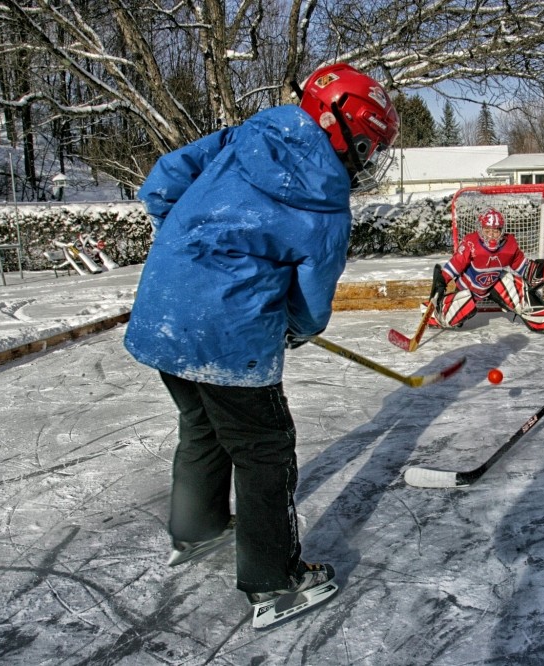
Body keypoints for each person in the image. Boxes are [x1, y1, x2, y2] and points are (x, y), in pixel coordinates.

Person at [123, 63, 399, 629]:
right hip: (230, 335)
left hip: (163, 307)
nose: (366, 159)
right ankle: (275, 583)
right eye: (369, 146)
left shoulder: (246, 133)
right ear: (342, 127)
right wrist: (297, 328)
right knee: (264, 451)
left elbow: (163, 180)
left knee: (201, 424)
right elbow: (312, 299)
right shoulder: (327, 201)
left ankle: (195, 530)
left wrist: (185, 245)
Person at [427, 208, 544, 334]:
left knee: (516, 286)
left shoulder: (509, 245)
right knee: (462, 307)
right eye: (487, 231)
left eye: (495, 231)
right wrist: (441, 281)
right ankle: (437, 315)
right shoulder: (471, 243)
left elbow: (522, 266)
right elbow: (455, 265)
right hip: (467, 290)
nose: (491, 235)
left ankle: (539, 318)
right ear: (480, 230)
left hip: (492, 285)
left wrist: (536, 272)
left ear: (501, 231)